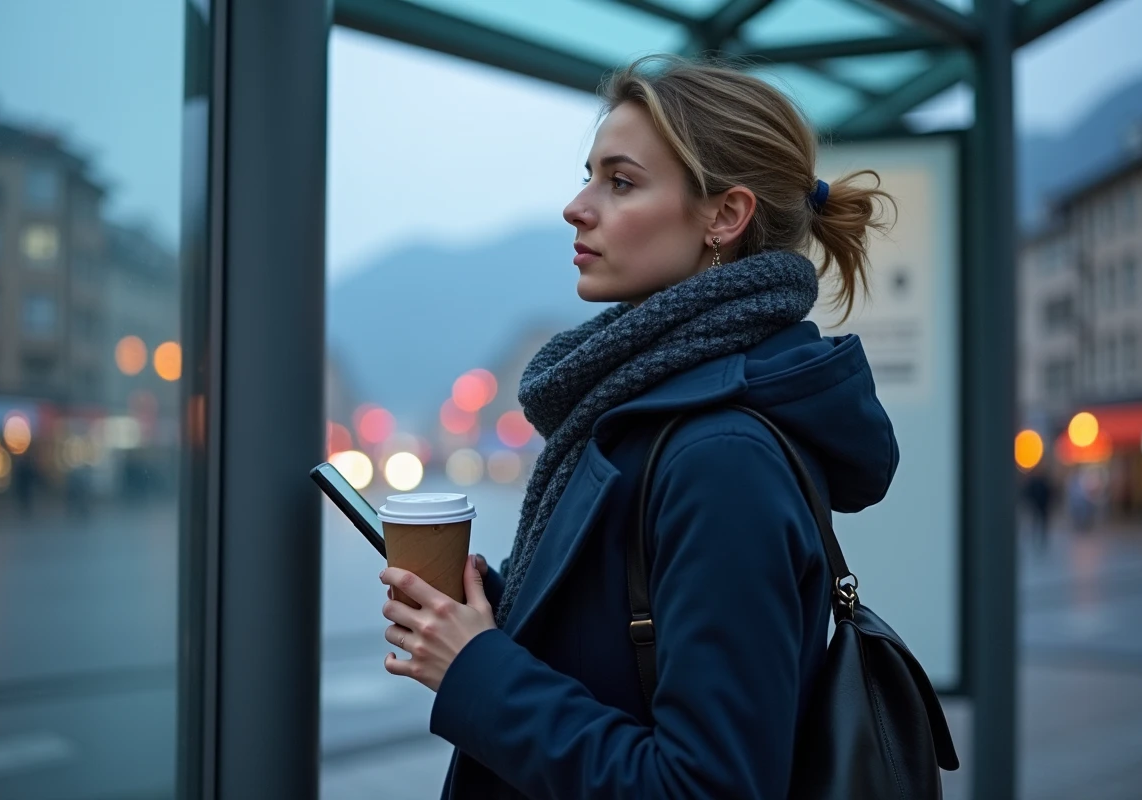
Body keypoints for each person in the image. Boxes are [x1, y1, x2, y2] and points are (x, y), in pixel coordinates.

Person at [377, 55, 898, 799]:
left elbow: (705, 787)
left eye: (620, 182)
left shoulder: (721, 457)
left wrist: (476, 670)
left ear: (725, 216)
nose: (576, 207)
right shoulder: (644, 404)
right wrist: (491, 611)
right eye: (588, 175)